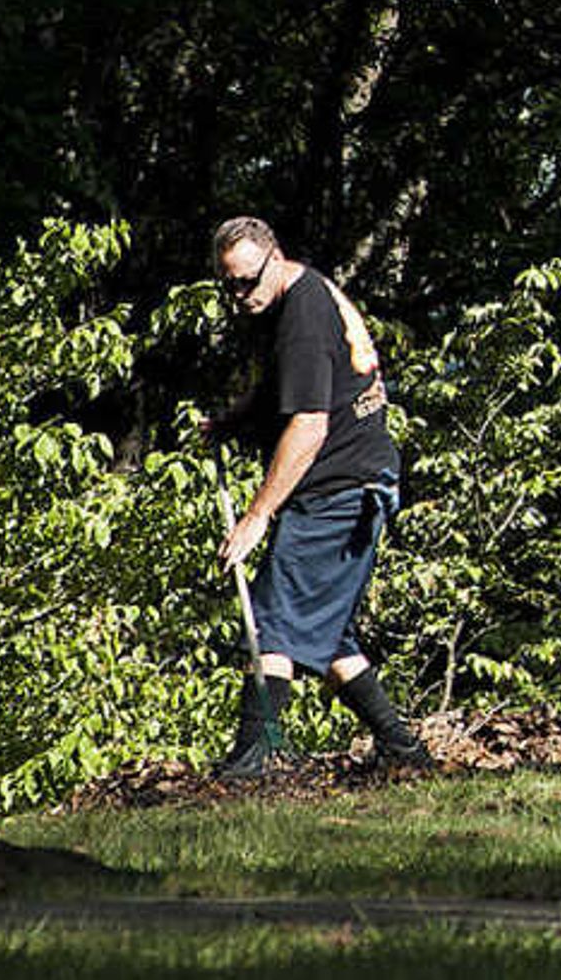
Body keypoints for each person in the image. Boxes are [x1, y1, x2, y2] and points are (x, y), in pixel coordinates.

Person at [205, 216, 433, 778]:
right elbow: (298, 384)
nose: (238, 297)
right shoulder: (304, 294)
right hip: (356, 481)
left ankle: (252, 762)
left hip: (340, 487)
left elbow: (309, 424)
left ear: (275, 258)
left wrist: (257, 516)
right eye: (227, 285)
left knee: (273, 619)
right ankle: (403, 750)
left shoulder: (301, 317)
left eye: (246, 282)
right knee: (327, 634)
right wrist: (235, 420)